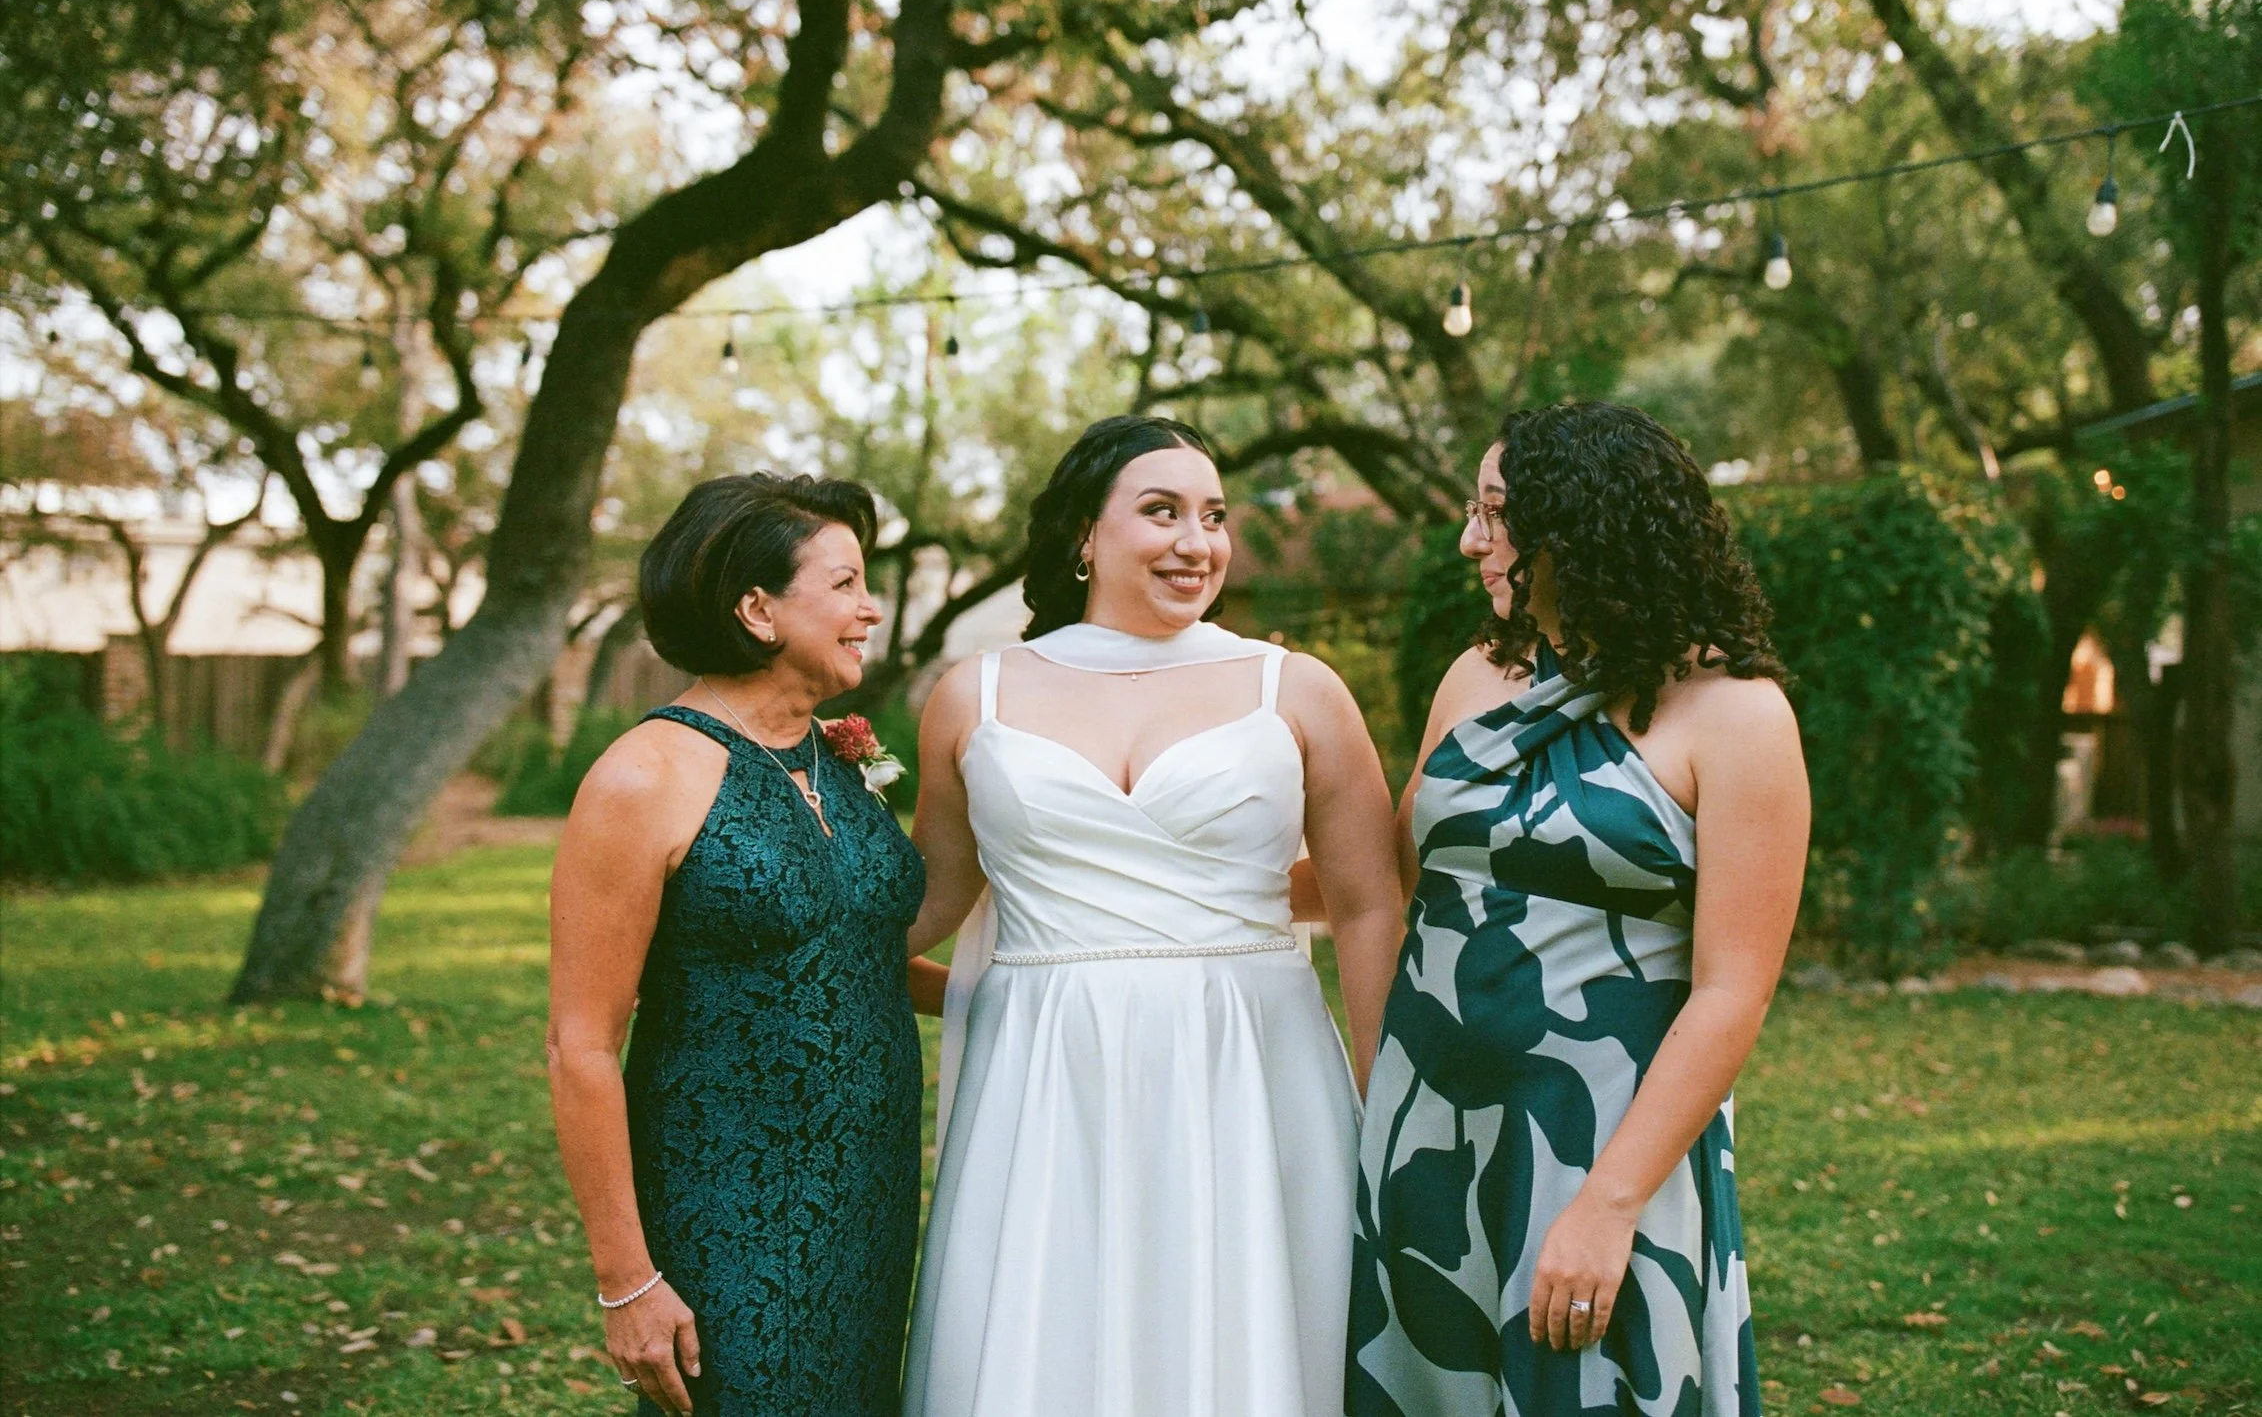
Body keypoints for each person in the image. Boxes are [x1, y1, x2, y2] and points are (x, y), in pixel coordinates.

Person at [900, 415, 1407, 1417]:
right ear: (1085, 536)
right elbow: (930, 902)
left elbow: (1368, 904)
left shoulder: (1295, 688)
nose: (1198, 542)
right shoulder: (975, 693)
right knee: (1050, 1339)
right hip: (1046, 1072)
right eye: (1162, 511)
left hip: (1251, 1063)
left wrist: (1383, 1104)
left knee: (1247, 1335)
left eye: (1214, 517)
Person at [1347, 401, 1809, 1417]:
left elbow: (1735, 989)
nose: (1473, 538)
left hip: (1603, 1141)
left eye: (1497, 513)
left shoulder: (1736, 715)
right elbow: (1387, 870)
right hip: (1430, 1129)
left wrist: (1610, 1203)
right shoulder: (1474, 678)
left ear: (1583, 524)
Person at [547, 473, 927, 1417]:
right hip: (726, 1201)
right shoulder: (646, 775)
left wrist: (1033, 994)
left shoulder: (836, 759)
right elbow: (581, 1044)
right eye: (843, 585)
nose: (869, 608)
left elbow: (849, 956)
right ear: (758, 609)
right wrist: (627, 1280)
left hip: (868, 1189)